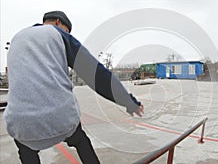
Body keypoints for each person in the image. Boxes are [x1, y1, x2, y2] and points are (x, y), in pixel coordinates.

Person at [4, 11, 144, 164]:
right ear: (58, 22)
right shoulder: (57, 33)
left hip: (18, 123)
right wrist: (129, 102)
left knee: (25, 149)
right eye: (67, 31)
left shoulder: (16, 38)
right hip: (61, 119)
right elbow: (96, 74)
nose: (67, 34)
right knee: (81, 140)